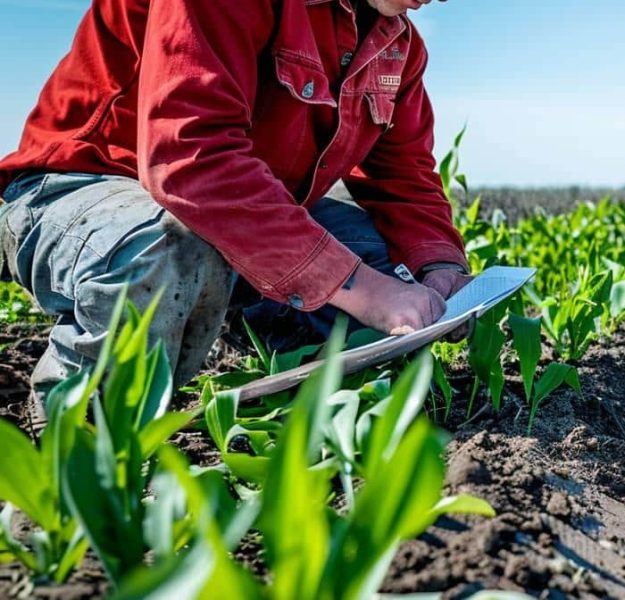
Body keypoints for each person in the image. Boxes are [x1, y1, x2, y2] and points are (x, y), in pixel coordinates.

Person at [0, 0, 468, 425]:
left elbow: (407, 172)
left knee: (400, 275)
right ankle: (71, 447)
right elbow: (192, 159)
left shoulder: (394, 43)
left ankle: (281, 366)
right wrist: (357, 286)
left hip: (236, 216)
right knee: (168, 247)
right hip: (86, 187)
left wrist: (440, 267)